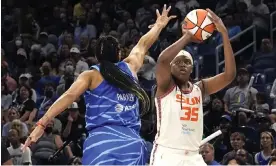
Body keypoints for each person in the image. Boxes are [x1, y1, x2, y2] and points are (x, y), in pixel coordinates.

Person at [23, 5, 176, 165]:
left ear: (96, 56)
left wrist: (42, 123)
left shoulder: (91, 75)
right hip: (131, 143)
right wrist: (159, 25)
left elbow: (69, 96)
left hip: (100, 144)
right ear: (119, 53)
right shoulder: (130, 67)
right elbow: (143, 44)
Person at [150, 9, 236, 166]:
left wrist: (223, 33)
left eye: (187, 62)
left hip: (194, 156)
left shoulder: (200, 88)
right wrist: (188, 35)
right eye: (178, 62)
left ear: (192, 68)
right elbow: (162, 60)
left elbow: (229, 75)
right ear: (171, 67)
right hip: (168, 153)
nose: (183, 64)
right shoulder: (165, 86)